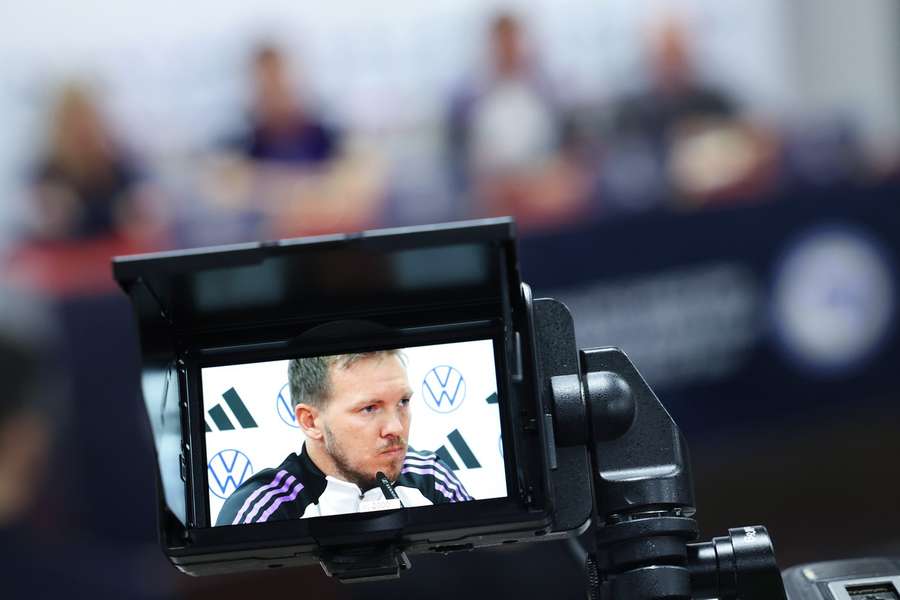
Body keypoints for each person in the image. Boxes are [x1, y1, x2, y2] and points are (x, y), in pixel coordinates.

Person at [216, 350, 471, 526]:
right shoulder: (262, 511)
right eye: (369, 408)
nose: (395, 427)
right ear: (310, 421)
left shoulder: (430, 477)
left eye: (403, 402)